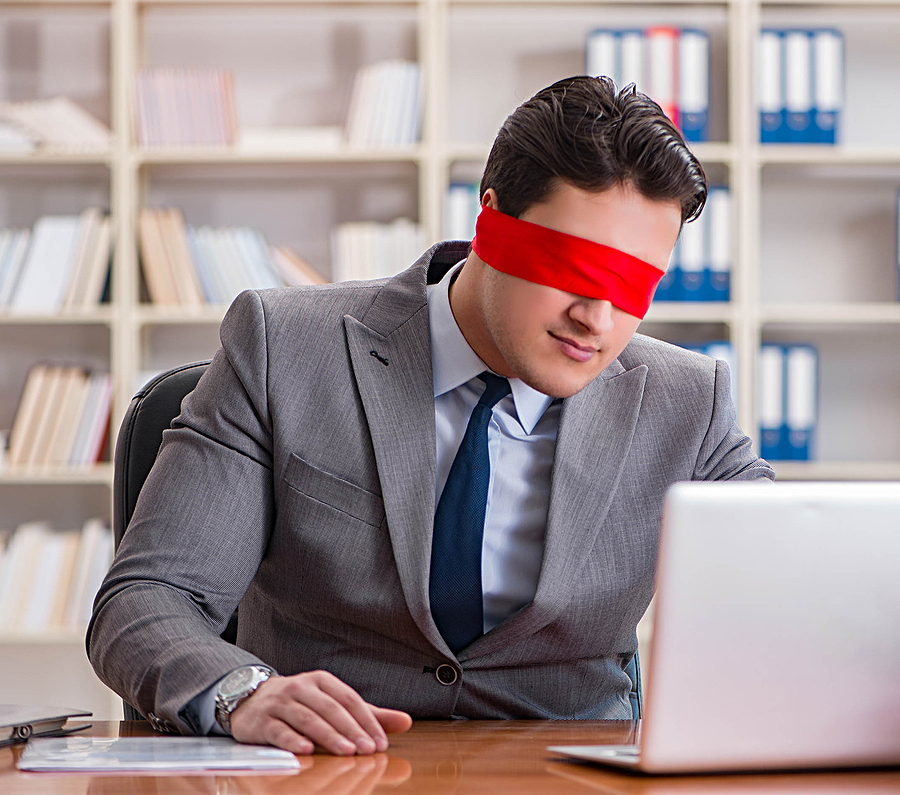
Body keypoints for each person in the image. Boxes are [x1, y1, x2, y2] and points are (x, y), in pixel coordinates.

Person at [87, 76, 774, 757]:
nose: (596, 318)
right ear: (490, 220)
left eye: (632, 286)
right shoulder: (284, 348)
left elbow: (805, 586)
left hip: (569, 772)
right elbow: (146, 599)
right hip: (332, 769)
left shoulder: (689, 400)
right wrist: (244, 692)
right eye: (571, 269)